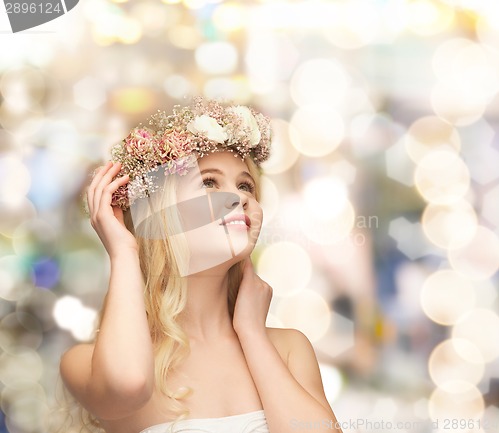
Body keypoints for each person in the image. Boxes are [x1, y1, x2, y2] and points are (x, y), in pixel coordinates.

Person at [59, 97, 344, 433]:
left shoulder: (288, 348)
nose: (241, 198)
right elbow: (127, 385)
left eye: (245, 185)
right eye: (209, 183)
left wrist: (251, 334)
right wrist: (123, 252)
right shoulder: (86, 362)